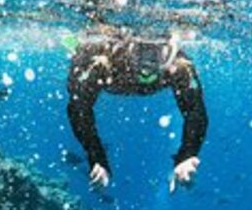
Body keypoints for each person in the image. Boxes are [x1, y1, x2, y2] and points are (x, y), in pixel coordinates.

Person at [66, 27, 209, 193]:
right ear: (128, 46)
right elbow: (78, 107)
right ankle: (73, 42)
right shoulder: (104, 60)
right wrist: (97, 157)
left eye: (157, 50)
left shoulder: (180, 66)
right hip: (102, 68)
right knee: (78, 75)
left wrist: (186, 155)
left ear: (171, 48)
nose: (147, 61)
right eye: (141, 50)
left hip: (115, 78)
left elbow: (195, 111)